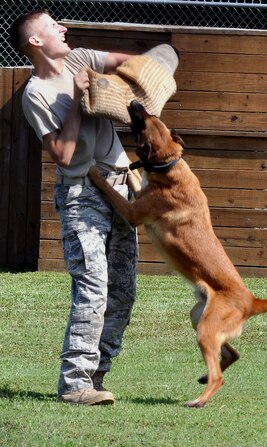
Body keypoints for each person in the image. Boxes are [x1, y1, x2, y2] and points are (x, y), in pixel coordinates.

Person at [9, 10, 138, 405]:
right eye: (52, 26)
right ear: (35, 41)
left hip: (121, 188)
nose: (62, 28)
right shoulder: (36, 94)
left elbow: (123, 62)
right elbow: (63, 155)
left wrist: (146, 71)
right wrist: (80, 102)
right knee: (93, 287)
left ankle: (96, 378)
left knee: (122, 292)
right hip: (82, 196)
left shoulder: (80, 58)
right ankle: (75, 384)